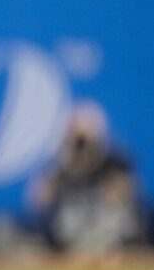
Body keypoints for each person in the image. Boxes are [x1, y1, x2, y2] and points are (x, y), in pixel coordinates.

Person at [27, 101, 142, 254]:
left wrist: (93, 164)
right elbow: (38, 201)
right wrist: (63, 168)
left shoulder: (114, 163)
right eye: (76, 139)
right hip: (71, 240)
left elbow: (124, 198)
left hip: (111, 239)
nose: (81, 145)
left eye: (84, 139)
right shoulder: (61, 165)